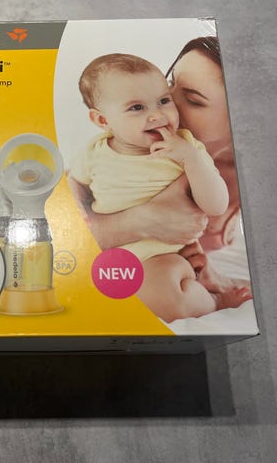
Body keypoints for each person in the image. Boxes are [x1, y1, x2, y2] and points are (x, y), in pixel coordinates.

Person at [68, 53, 249, 323]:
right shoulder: (95, 151)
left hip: (163, 257)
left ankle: (216, 301)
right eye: (136, 108)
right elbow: (74, 185)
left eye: (163, 101)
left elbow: (216, 205)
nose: (157, 114)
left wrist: (191, 159)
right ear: (103, 121)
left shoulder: (186, 146)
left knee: (163, 296)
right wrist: (77, 207)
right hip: (109, 256)